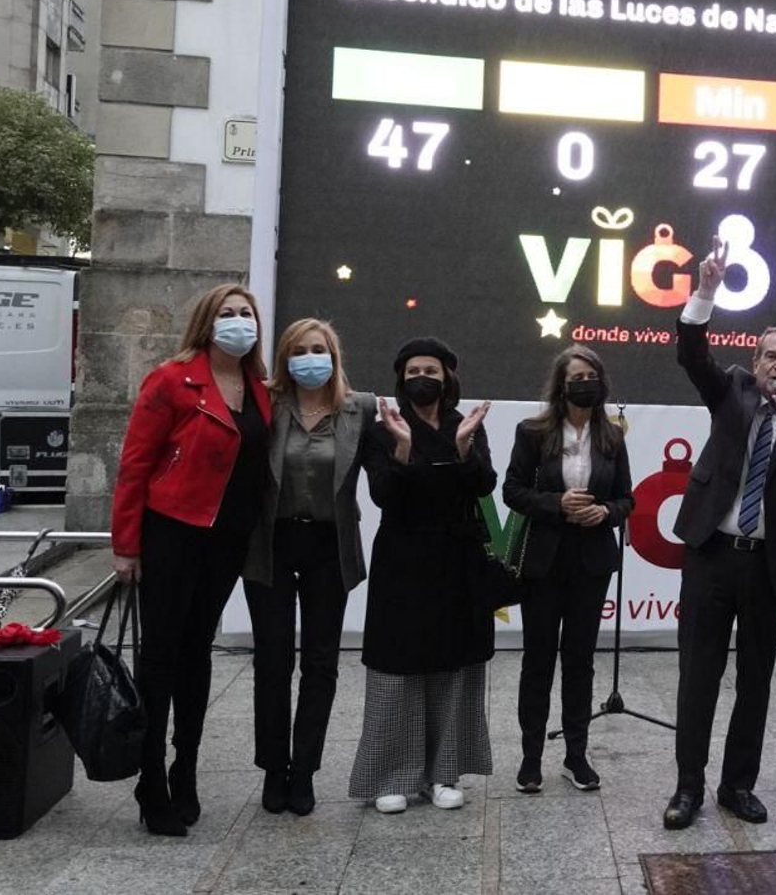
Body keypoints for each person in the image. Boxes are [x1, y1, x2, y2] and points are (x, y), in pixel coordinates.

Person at [662, 238, 776, 830]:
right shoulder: (729, 391)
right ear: (754, 363)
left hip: (766, 566)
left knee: (754, 682)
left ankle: (738, 786)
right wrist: (705, 292)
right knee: (698, 677)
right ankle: (688, 787)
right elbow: (692, 355)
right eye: (769, 357)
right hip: (712, 557)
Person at [110, 284, 272, 837]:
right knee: (160, 654)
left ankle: (186, 768)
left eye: (246, 313)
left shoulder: (259, 387)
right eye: (227, 313)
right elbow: (135, 464)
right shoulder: (171, 380)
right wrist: (126, 544)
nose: (238, 321)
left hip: (227, 540)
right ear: (207, 322)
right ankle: (151, 778)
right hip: (172, 531)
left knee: (197, 651)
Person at [348, 338, 495, 815]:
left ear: (447, 377)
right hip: (403, 561)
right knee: (397, 668)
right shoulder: (382, 431)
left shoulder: (464, 425)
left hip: (458, 561)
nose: (422, 379)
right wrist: (404, 448)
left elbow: (484, 486)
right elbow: (383, 495)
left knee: (453, 666)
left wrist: (464, 448)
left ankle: (443, 774)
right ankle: (390, 776)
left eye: (430, 370)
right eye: (413, 371)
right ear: (401, 378)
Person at [242, 318, 376, 816]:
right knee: (272, 660)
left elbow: (385, 473)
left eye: (319, 349)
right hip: (272, 542)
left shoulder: (360, 408)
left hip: (328, 545)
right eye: (299, 350)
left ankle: (304, 770)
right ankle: (273, 769)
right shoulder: (265, 402)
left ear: (334, 357)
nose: (309, 358)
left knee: (320, 663)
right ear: (284, 358)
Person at [504, 345, 634, 794]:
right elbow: (513, 490)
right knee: (537, 659)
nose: (584, 384)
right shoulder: (533, 432)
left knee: (580, 661)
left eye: (590, 376)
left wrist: (606, 513)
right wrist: (556, 503)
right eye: (576, 377)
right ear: (560, 384)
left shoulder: (612, 437)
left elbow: (626, 498)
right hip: (543, 562)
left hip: (591, 563)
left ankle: (576, 755)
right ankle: (531, 758)